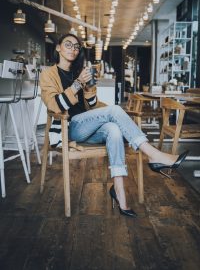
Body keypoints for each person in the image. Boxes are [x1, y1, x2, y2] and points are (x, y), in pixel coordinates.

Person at [40, 33, 188, 218]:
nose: (73, 49)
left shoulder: (80, 72)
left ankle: (119, 192)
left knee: (114, 129)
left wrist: (89, 87)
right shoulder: (48, 74)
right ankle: (154, 155)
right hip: (70, 127)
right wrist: (78, 84)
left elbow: (93, 106)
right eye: (68, 44)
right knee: (115, 110)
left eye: (77, 47)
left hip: (88, 126)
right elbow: (54, 105)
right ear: (58, 47)